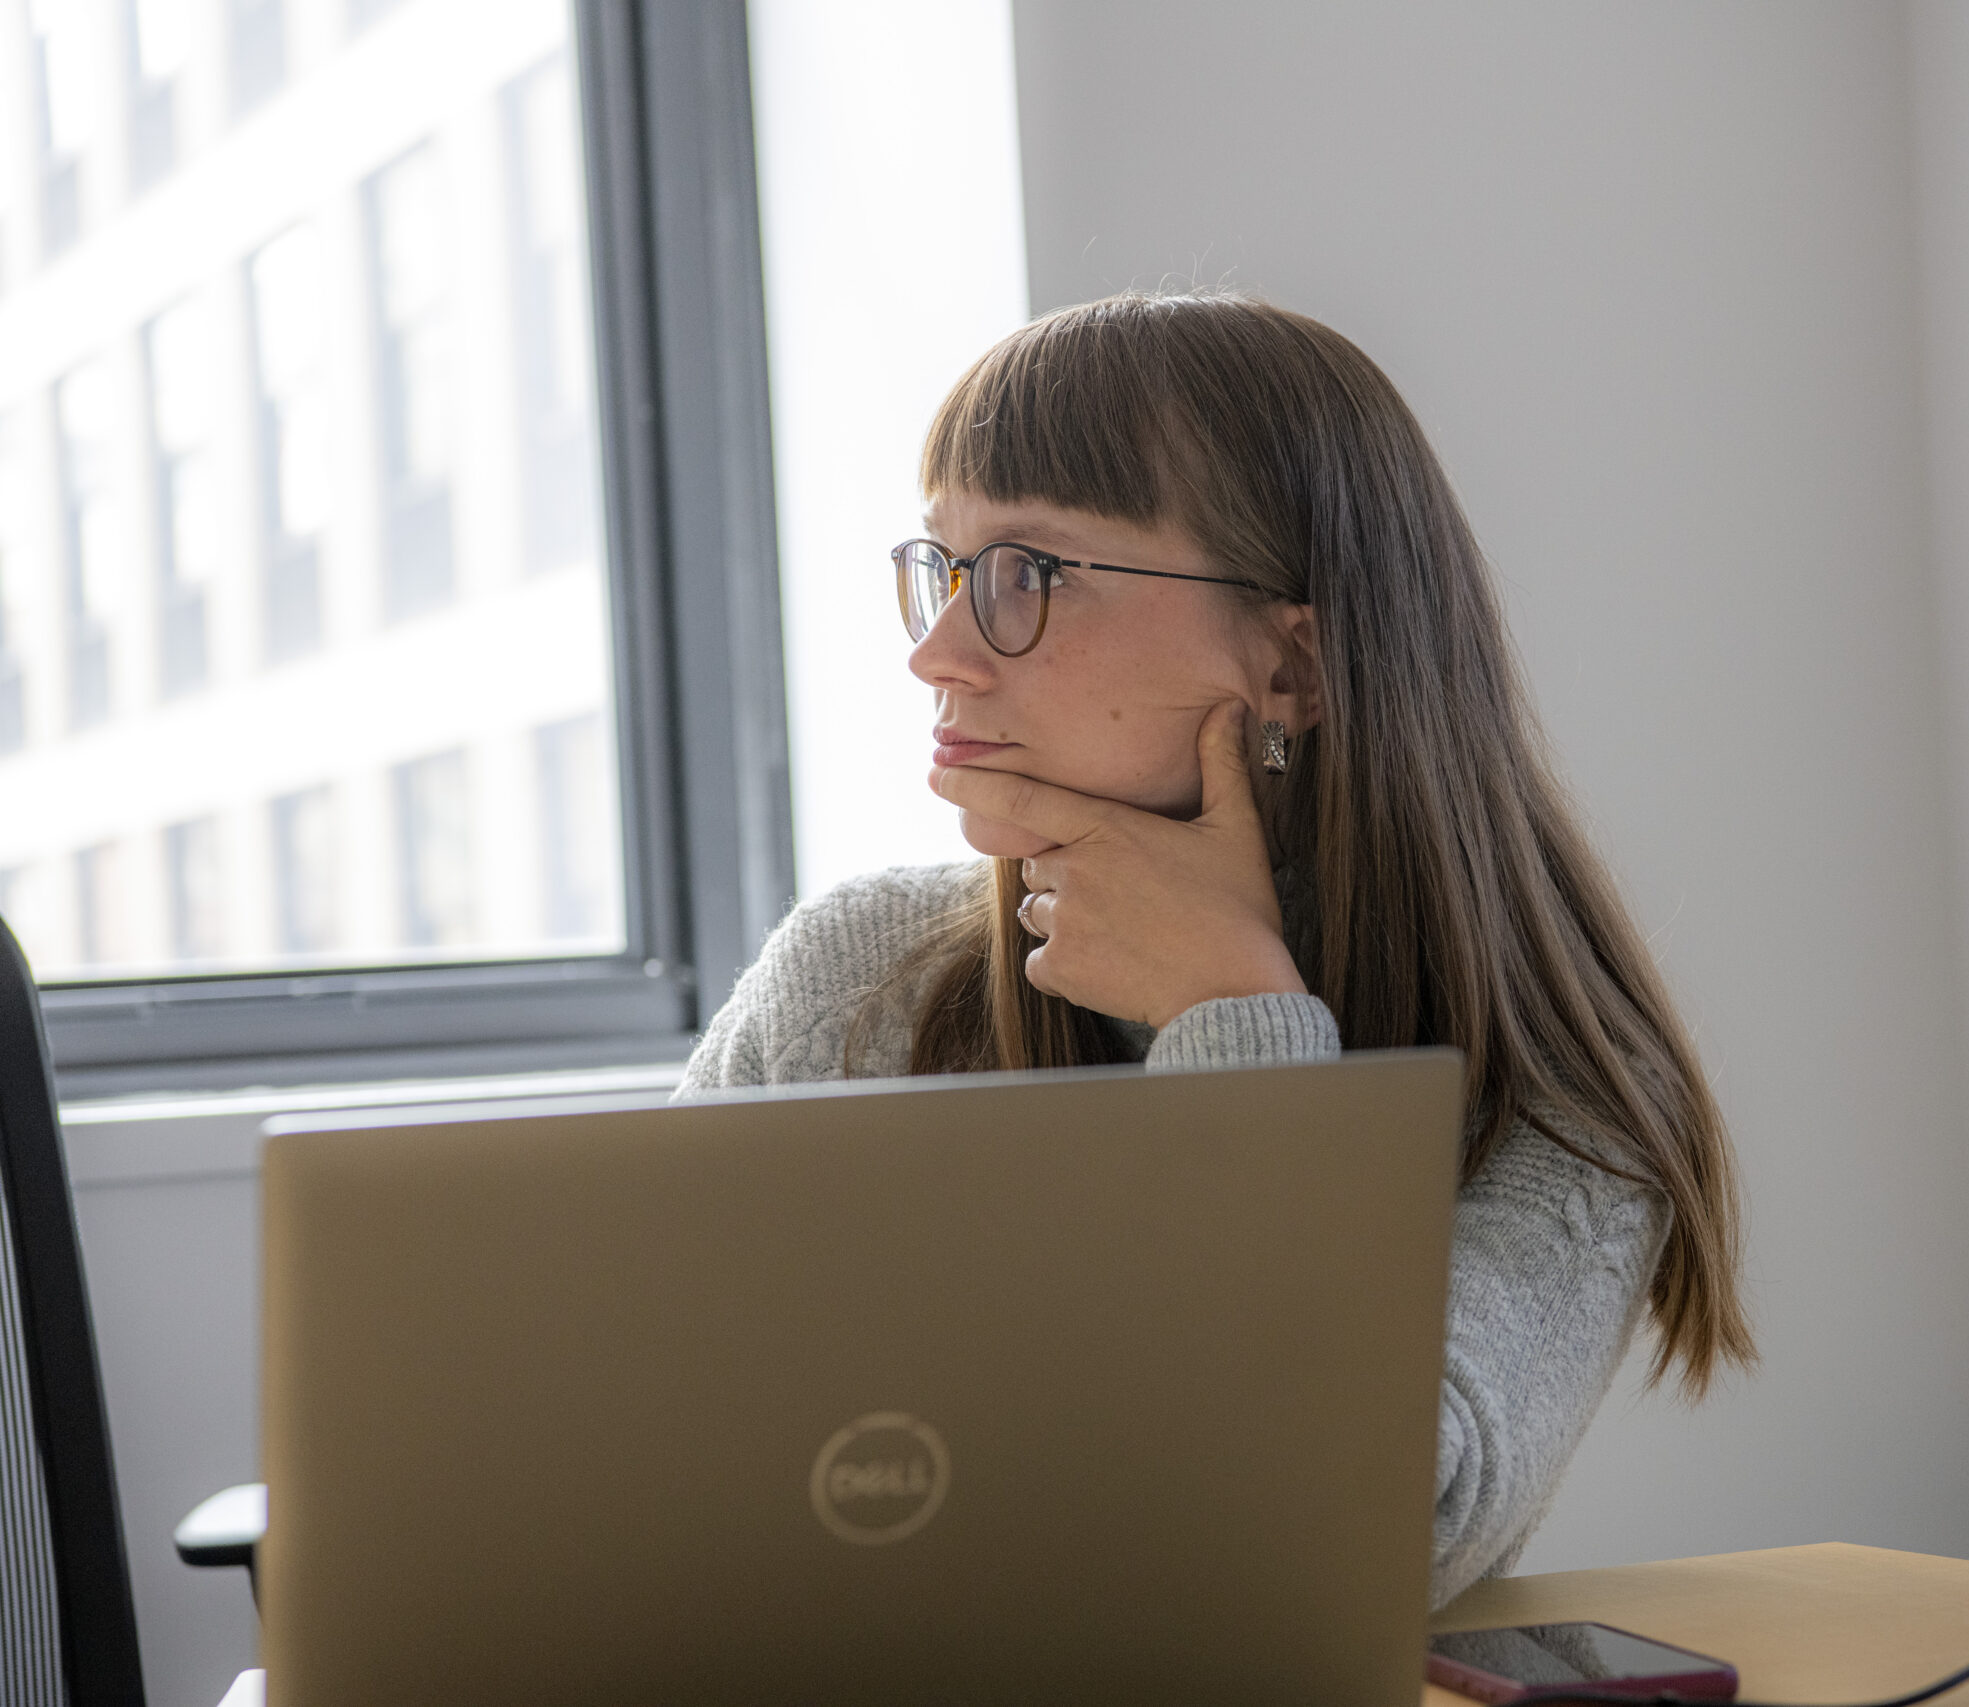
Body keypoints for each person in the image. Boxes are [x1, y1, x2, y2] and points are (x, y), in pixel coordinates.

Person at [678, 291, 1752, 1606]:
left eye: (1029, 573)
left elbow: (1359, 1536)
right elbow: (610, 1412)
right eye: (943, 569)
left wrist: (1233, 1016)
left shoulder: (1566, 1089)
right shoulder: (864, 976)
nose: (940, 655)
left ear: (1293, 668)